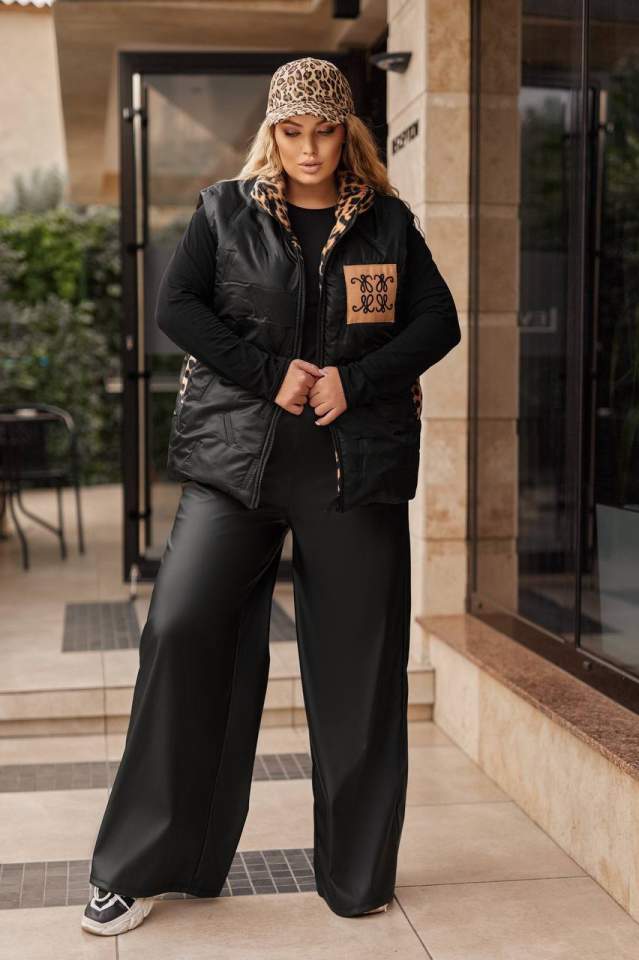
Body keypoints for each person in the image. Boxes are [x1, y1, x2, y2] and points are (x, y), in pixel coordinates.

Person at [81, 56, 461, 937]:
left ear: (346, 132)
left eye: (323, 131)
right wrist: (266, 373)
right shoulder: (225, 210)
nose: (308, 149)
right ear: (272, 132)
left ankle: (356, 874)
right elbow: (178, 308)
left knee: (361, 669)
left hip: (351, 476)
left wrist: (356, 380)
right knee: (180, 631)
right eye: (292, 132)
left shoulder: (389, 223)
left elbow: (437, 321)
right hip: (235, 470)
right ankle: (143, 866)